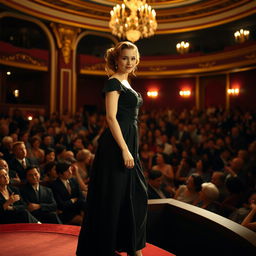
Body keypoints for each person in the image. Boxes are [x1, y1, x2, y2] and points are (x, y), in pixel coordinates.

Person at [77, 41, 148, 256]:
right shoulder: (113, 82)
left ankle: (131, 246)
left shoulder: (127, 84)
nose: (129, 62)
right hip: (116, 145)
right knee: (113, 197)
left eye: (133, 58)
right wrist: (125, 150)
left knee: (135, 195)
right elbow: (111, 117)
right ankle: (108, 248)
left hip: (129, 142)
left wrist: (132, 147)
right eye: (125, 58)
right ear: (116, 59)